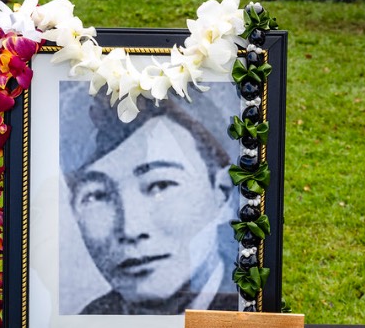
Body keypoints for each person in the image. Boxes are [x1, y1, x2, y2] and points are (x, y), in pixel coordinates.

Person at [60, 83, 240, 315]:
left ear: (222, 194)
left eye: (160, 185)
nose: (130, 228)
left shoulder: (249, 307)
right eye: (97, 196)